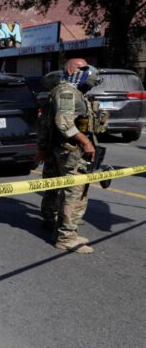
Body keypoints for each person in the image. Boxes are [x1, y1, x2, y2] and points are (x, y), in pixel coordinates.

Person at [37, 58, 106, 254]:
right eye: (82, 68)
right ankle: (66, 237)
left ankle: (52, 222)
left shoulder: (73, 91)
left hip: (60, 148)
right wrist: (86, 142)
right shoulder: (67, 91)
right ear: (70, 70)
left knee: (56, 186)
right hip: (71, 150)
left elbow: (45, 122)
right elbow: (64, 123)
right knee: (74, 191)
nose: (87, 71)